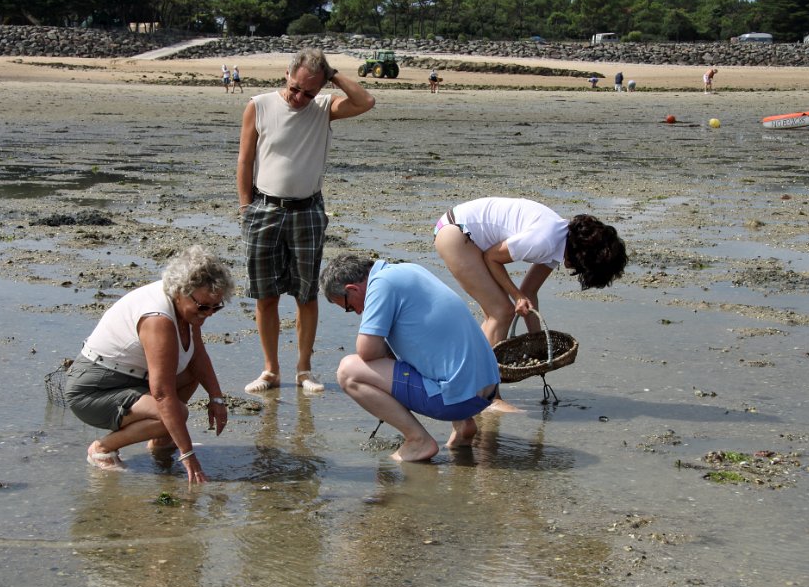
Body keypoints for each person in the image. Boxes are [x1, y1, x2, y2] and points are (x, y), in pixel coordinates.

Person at [237, 47, 376, 395]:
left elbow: (365, 101)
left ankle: (304, 369)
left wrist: (332, 75)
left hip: (308, 211)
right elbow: (244, 160)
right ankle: (270, 370)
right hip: (264, 209)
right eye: (296, 88)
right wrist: (245, 209)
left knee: (305, 293)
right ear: (287, 74)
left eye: (308, 92)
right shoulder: (259, 104)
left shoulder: (324, 107)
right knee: (265, 295)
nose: (300, 97)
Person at [433, 197, 627, 412]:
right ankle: (486, 397)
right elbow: (492, 258)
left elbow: (530, 293)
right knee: (501, 312)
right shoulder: (544, 240)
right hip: (457, 233)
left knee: (495, 314)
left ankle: (473, 389)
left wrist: (540, 347)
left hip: (465, 236)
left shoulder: (559, 244)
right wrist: (516, 296)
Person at [64, 245, 234, 484]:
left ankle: (161, 440)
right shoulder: (158, 319)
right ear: (180, 291)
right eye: (203, 307)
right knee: (176, 413)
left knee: (190, 375)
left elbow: (197, 357)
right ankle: (102, 449)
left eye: (216, 307)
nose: (208, 314)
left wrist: (216, 398)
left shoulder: (187, 310)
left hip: (130, 378)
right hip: (93, 390)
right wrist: (188, 456)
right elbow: (163, 394)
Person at [319, 253, 500, 461]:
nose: (359, 312)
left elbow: (367, 351)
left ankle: (418, 441)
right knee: (422, 344)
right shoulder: (410, 270)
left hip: (458, 399)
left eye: (350, 307)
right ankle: (463, 424)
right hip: (486, 390)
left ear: (352, 289)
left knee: (348, 371)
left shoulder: (381, 284)